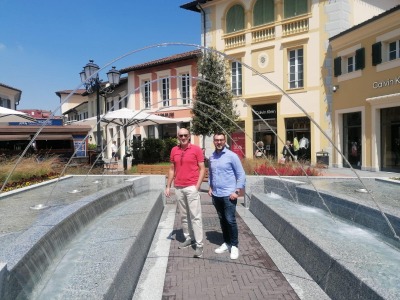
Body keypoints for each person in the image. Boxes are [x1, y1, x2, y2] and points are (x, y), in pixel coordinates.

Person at [165, 128, 205, 258]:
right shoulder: (174, 150)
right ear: (178, 137)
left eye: (185, 135)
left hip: (191, 187)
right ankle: (188, 238)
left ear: (189, 136)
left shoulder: (196, 149)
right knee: (183, 216)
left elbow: (202, 168)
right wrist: (168, 186)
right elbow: (172, 169)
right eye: (180, 135)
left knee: (195, 216)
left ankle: (199, 244)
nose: (183, 137)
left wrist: (197, 186)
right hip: (178, 187)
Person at [208, 133, 246, 260]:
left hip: (229, 195)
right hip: (216, 194)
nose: (219, 142)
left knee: (230, 220)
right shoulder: (212, 157)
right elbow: (211, 173)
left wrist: (237, 191)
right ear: (214, 141)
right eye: (216, 140)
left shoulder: (232, 156)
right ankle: (227, 242)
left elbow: (241, 174)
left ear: (225, 141)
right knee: (222, 220)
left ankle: (234, 246)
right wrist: (210, 187)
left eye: (221, 140)